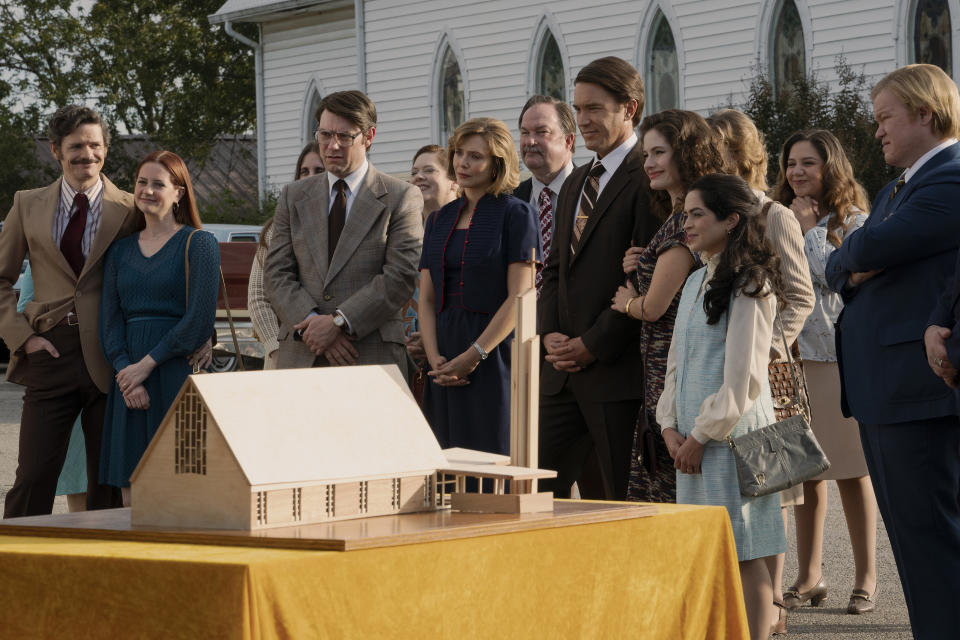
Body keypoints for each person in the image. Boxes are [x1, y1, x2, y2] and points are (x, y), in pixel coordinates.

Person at [828, 64, 960, 639]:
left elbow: (872, 245)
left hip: (919, 391)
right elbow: (843, 261)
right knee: (913, 543)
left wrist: (855, 259)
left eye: (886, 118)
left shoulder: (951, 177)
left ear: (926, 114)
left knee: (934, 543)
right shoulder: (895, 189)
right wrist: (853, 262)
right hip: (887, 392)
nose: (877, 131)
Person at [657, 173, 785, 640]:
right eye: (684, 213)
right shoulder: (695, 280)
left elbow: (744, 379)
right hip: (692, 440)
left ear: (731, 220)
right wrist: (669, 424)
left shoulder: (751, 283)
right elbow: (677, 361)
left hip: (732, 440)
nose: (685, 224)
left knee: (745, 550)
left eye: (696, 215)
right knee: (709, 551)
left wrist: (699, 436)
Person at [0, 105, 140, 517]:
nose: (88, 154)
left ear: (106, 149)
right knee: (32, 476)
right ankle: (15, 569)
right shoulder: (27, 205)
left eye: (95, 145)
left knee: (106, 485)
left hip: (111, 354)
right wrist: (24, 338)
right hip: (50, 352)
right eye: (76, 146)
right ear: (55, 150)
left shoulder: (131, 209)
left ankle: (104, 574)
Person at [708, 107, 816, 635]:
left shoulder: (775, 215)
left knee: (769, 490)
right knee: (732, 491)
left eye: (721, 152)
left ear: (742, 155)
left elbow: (801, 297)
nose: (712, 162)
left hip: (768, 377)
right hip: (718, 371)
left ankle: (771, 606)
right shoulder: (709, 214)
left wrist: (762, 347)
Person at [538, 56, 657, 500]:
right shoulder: (575, 181)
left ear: (629, 108)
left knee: (621, 502)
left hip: (615, 371)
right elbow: (553, 271)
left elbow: (645, 279)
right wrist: (549, 332)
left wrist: (592, 345)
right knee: (532, 495)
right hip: (561, 374)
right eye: (578, 109)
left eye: (594, 109)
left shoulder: (649, 176)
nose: (582, 120)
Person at [772, 129, 878, 615]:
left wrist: (809, 231)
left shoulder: (854, 220)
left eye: (808, 163)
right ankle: (810, 575)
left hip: (837, 358)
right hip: (792, 360)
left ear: (830, 166)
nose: (796, 172)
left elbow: (841, 279)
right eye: (791, 163)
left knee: (853, 472)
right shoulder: (779, 214)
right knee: (806, 472)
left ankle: (867, 577)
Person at [609, 109, 723, 503]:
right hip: (664, 367)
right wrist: (642, 261)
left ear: (686, 153)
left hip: (670, 368)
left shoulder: (683, 223)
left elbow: (655, 307)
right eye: (645, 155)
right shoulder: (677, 218)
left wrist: (628, 303)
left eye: (659, 152)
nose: (649, 163)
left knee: (670, 496)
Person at [265, 90, 423, 373]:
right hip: (303, 355)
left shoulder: (401, 197)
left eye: (344, 137)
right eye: (324, 135)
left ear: (369, 136)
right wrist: (315, 326)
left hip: (370, 356)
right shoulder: (293, 196)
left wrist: (339, 322)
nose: (332, 146)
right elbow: (276, 274)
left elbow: (400, 276)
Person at [99, 151, 219, 505]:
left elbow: (199, 320)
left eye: (158, 184)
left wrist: (146, 366)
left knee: (182, 488)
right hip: (128, 381)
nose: (147, 190)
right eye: (141, 182)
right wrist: (126, 374)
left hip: (175, 373)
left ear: (179, 193)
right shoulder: (119, 252)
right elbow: (109, 322)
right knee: (131, 489)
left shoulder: (199, 244)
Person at [418, 118, 540, 453]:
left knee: (491, 459)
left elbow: (521, 296)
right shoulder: (438, 219)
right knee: (443, 462)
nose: (463, 163)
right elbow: (426, 299)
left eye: (475, 157)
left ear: (497, 164)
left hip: (493, 353)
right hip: (442, 356)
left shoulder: (518, 214)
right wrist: (435, 360)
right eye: (459, 153)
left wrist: (475, 354)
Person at [16, 265, 86, 512]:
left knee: (102, 476)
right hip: (59, 370)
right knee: (77, 473)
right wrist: (29, 341)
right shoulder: (42, 255)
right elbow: (23, 307)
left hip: (108, 369)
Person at [249, 142, 322, 370]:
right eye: (304, 171)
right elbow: (258, 297)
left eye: (319, 171)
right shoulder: (276, 230)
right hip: (284, 354)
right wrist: (275, 349)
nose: (309, 177)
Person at [405, 144, 460, 374]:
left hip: (452, 353)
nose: (419, 177)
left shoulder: (466, 233)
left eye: (429, 170)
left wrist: (430, 339)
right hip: (406, 357)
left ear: (454, 181)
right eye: (415, 172)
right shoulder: (401, 234)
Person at [515, 95, 576, 295]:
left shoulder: (592, 192)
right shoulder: (512, 200)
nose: (530, 141)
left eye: (542, 132)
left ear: (568, 140)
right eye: (525, 133)